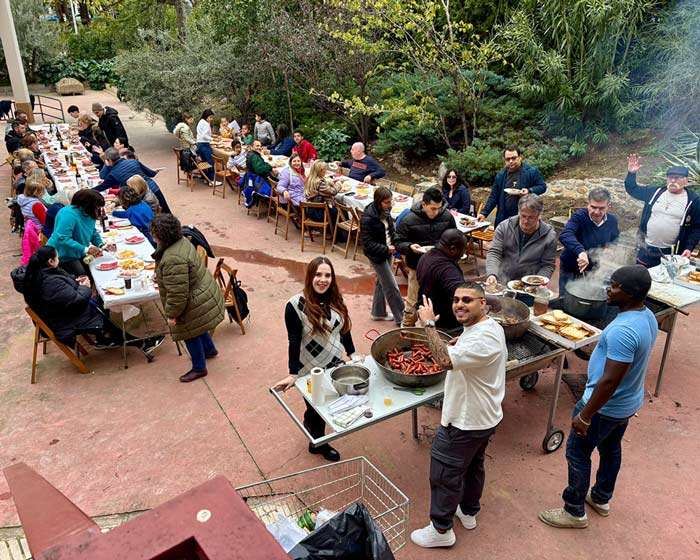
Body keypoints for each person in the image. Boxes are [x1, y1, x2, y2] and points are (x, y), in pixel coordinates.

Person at [538, 265, 658, 529]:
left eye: (614, 286)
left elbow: (610, 381)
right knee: (611, 448)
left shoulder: (623, 331)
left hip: (604, 407)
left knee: (578, 454)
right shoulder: (647, 316)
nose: (608, 289)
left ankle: (574, 512)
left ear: (631, 293)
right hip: (628, 403)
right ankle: (601, 498)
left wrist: (585, 414)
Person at [410, 285, 507, 548]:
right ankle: (468, 511)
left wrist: (429, 324)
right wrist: (459, 343)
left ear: (483, 303)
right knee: (473, 465)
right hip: (486, 416)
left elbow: (444, 361)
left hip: (466, 419)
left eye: (467, 300)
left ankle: (441, 530)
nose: (459, 304)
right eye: (455, 300)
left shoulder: (483, 339)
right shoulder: (489, 327)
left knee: (444, 471)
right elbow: (466, 348)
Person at [273, 257, 356, 462]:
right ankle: (318, 443)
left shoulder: (337, 300)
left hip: (335, 364)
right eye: (318, 274)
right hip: (309, 370)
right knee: (318, 408)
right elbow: (293, 340)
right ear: (310, 276)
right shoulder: (294, 306)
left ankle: (310, 425)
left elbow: (344, 330)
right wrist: (293, 374)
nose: (323, 280)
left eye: (327, 275)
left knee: (330, 405)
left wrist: (352, 354)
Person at [22, 246, 163, 354]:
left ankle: (105, 339)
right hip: (64, 321)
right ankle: (141, 344)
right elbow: (76, 300)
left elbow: (64, 290)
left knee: (104, 299)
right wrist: (85, 287)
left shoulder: (38, 273)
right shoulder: (49, 281)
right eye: (57, 258)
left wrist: (75, 281)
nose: (59, 261)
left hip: (61, 312)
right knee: (101, 309)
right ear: (50, 261)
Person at [150, 214, 225, 382]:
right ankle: (209, 349)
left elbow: (178, 295)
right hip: (203, 292)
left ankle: (199, 367)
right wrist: (162, 275)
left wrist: (172, 315)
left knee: (189, 331)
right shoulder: (181, 241)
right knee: (197, 326)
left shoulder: (172, 259)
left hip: (194, 300)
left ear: (160, 236)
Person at [395, 187, 457, 327]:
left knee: (437, 303)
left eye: (439, 208)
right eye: (433, 208)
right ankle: (405, 334)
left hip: (441, 268)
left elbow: (454, 238)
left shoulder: (447, 217)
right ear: (424, 205)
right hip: (417, 267)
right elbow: (398, 242)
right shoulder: (408, 219)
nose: (436, 212)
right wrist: (410, 247)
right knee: (412, 305)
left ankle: (431, 336)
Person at [625, 155, 700, 268]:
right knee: (640, 279)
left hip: (671, 252)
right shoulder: (655, 192)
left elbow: (697, 227)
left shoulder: (693, 200)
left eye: (677, 178)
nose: (673, 180)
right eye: (670, 177)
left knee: (665, 283)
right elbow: (633, 189)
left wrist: (689, 248)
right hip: (646, 248)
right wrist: (631, 173)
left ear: (686, 180)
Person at [485, 194, 557, 285]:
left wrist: (538, 283)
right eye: (523, 216)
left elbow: (548, 265)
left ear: (539, 216)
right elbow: (494, 252)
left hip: (529, 285)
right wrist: (492, 274)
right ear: (518, 212)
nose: (526, 221)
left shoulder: (549, 236)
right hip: (501, 280)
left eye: (531, 217)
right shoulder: (504, 227)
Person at [559, 188, 620, 293]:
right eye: (593, 207)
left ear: (608, 206)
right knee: (565, 298)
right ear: (588, 204)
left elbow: (614, 239)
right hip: (570, 267)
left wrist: (610, 248)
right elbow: (565, 234)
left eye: (601, 208)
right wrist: (581, 252)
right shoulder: (579, 217)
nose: (596, 212)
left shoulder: (612, 221)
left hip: (593, 270)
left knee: (588, 297)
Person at [360, 187, 405, 325]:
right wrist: (386, 249)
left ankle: (378, 312)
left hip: (388, 251)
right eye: (387, 202)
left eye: (391, 201)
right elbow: (367, 244)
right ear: (379, 202)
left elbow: (391, 230)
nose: (390, 205)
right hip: (377, 255)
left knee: (381, 282)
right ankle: (402, 318)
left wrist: (397, 242)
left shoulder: (385, 211)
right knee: (391, 286)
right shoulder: (367, 218)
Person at [47, 189, 111, 276]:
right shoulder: (67, 214)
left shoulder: (89, 213)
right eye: (96, 207)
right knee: (82, 276)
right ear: (88, 205)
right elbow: (62, 238)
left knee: (93, 272)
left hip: (78, 252)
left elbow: (92, 231)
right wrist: (85, 249)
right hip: (63, 256)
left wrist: (101, 244)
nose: (98, 210)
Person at [477, 145, 547, 225]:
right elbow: (494, 197)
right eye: (508, 159)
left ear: (520, 157)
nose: (510, 161)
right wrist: (484, 213)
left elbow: (542, 187)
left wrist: (529, 190)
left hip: (524, 216)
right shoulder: (501, 175)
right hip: (504, 217)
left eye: (513, 158)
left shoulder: (531, 172)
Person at [416, 230, 467, 334]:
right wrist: (490, 299)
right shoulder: (447, 269)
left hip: (427, 314)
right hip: (443, 325)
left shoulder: (426, 256)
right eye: (463, 250)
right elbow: (463, 294)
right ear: (453, 249)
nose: (463, 254)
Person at [98, 148, 172, 213]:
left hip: (140, 195)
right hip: (154, 188)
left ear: (109, 160)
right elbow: (151, 173)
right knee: (166, 212)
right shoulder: (133, 161)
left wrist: (106, 166)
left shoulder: (114, 173)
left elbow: (102, 180)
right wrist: (154, 172)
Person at [196, 109, 219, 185]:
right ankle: (212, 180)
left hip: (199, 143)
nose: (211, 119)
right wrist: (213, 139)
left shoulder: (201, 122)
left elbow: (202, 133)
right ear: (207, 116)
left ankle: (206, 178)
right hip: (204, 144)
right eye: (211, 117)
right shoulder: (206, 123)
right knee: (210, 162)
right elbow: (204, 135)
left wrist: (212, 136)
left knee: (204, 161)